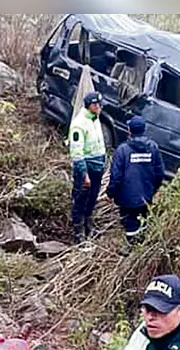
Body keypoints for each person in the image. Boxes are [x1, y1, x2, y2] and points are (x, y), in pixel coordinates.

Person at [106, 116, 166, 254]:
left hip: (127, 198)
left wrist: (110, 193)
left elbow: (116, 176)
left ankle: (131, 249)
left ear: (129, 131)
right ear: (144, 130)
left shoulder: (122, 150)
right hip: (146, 195)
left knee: (130, 222)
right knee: (143, 219)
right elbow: (159, 173)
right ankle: (142, 246)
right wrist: (152, 190)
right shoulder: (153, 148)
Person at [69, 91, 107, 245]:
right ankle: (79, 233)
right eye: (95, 105)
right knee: (80, 199)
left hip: (97, 167)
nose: (99, 107)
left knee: (92, 198)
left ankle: (89, 225)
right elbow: (77, 153)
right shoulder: (79, 124)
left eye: (99, 104)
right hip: (86, 168)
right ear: (88, 106)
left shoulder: (95, 119)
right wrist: (84, 174)